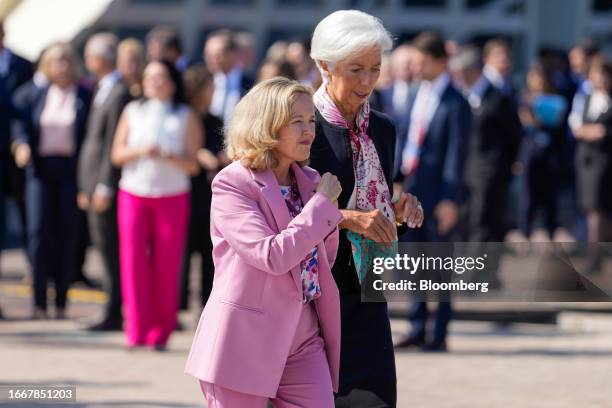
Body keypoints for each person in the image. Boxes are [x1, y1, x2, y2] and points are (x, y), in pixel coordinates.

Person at [185, 77, 344, 407]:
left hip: (303, 339)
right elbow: (271, 255)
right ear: (268, 125)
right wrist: (321, 207)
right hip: (244, 340)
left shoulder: (312, 182)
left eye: (311, 121)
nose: (309, 131)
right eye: (296, 122)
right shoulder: (233, 183)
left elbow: (322, 261)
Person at [307, 10, 424, 407]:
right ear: (324, 65)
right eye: (355, 69)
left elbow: (372, 203)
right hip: (311, 298)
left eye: (374, 68)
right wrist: (348, 218)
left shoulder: (384, 128)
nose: (367, 81)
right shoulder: (301, 125)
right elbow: (281, 213)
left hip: (368, 289)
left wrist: (398, 211)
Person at [111, 60, 201, 350]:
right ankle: (135, 329)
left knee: (167, 264)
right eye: (149, 76)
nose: (154, 82)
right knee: (133, 261)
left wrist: (167, 154)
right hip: (134, 193)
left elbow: (193, 164)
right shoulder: (132, 111)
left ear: (172, 82)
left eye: (160, 77)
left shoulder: (185, 115)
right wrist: (140, 150)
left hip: (172, 195)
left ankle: (161, 331)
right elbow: (117, 153)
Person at [395, 32, 471, 352]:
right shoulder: (415, 93)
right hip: (412, 187)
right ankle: (416, 325)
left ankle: (439, 331)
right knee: (414, 260)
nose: (417, 67)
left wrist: (450, 199)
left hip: (438, 193)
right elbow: (408, 138)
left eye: (423, 61)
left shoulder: (457, 102)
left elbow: (457, 153)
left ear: (440, 61)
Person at [12, 43, 92, 319]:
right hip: (41, 170)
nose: (62, 67)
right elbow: (19, 123)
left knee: (67, 233)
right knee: (38, 232)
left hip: (70, 171)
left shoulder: (84, 95)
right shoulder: (33, 94)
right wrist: (20, 144)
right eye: (56, 61)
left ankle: (60, 301)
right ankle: (37, 301)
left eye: (66, 61)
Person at [78, 33, 131, 331]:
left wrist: (103, 186)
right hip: (92, 182)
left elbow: (111, 142)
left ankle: (113, 310)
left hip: (104, 186)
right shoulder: (103, 88)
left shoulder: (119, 91)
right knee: (103, 247)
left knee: (109, 249)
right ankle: (111, 306)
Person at [179, 64, 226, 311]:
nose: (212, 92)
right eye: (209, 87)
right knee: (183, 253)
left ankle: (207, 306)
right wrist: (198, 155)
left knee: (210, 255)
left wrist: (220, 157)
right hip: (186, 192)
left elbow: (224, 149)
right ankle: (179, 306)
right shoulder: (184, 116)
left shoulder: (215, 119)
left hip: (211, 196)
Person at [517, 61, 568, 239]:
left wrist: (537, 115)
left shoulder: (555, 100)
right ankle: (525, 231)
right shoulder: (525, 98)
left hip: (550, 152)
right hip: (530, 151)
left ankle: (550, 230)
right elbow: (526, 123)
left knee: (549, 195)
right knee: (528, 194)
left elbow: (556, 120)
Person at [573, 56, 612, 272]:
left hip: (606, 161)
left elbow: (601, 131)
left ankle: (596, 255)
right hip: (587, 160)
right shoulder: (586, 98)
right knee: (592, 208)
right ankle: (595, 254)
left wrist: (599, 132)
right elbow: (577, 127)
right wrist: (592, 132)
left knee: (599, 209)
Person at [204, 29, 255, 123]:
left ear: (233, 55)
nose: (210, 60)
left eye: (217, 55)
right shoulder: (204, 83)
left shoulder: (252, 85)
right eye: (208, 55)